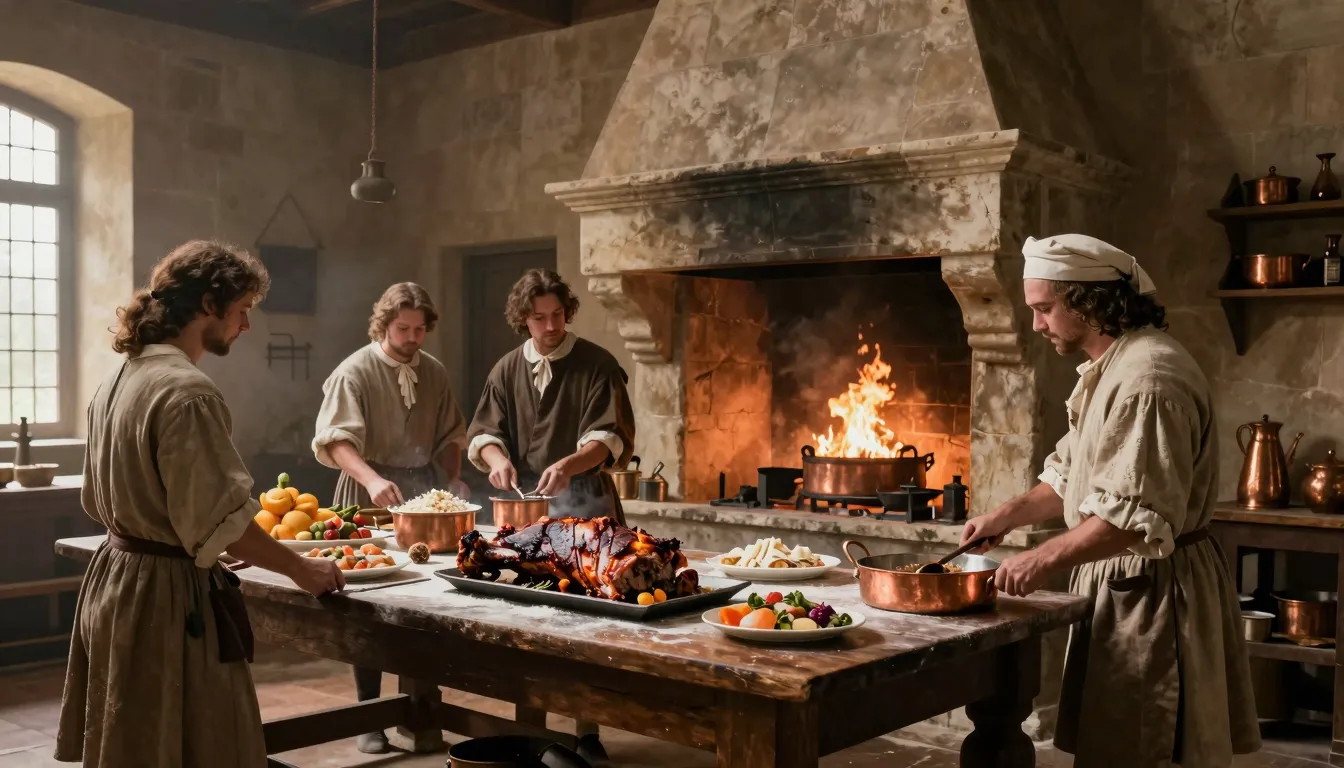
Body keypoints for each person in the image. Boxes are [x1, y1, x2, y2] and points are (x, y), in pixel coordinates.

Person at [959, 234, 1259, 766]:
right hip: (1124, 586)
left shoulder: (1148, 380)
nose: (1037, 325)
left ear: (1087, 301)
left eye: (1044, 308)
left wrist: (1040, 559)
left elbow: (1135, 520)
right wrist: (1003, 518)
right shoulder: (1115, 368)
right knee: (1113, 748)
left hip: (1151, 590)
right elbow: (1076, 473)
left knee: (1141, 749)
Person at [56, 239, 345, 768]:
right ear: (209, 305)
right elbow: (224, 521)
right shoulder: (187, 392)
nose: (246, 325)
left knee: (137, 741)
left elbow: (110, 503)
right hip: (165, 599)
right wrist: (301, 568)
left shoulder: (115, 380)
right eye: (242, 311)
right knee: (200, 745)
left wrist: (198, 539)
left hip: (117, 581)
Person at [312, 281, 468, 753]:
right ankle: (369, 718)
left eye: (421, 329)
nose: (413, 337)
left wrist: (455, 479)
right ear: (383, 324)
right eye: (403, 328)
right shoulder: (354, 372)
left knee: (427, 599)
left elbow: (450, 435)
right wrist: (372, 479)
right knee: (370, 601)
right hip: (365, 491)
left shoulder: (434, 372)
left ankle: (422, 710)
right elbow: (335, 440)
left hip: (422, 491)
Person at [467, 268, 635, 525]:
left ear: (567, 310)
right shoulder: (506, 369)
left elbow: (608, 439)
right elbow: (485, 432)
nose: (552, 325)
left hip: (587, 503)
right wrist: (497, 461)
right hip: (526, 502)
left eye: (557, 314)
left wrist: (566, 467)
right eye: (539, 317)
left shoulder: (599, 365)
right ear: (523, 319)